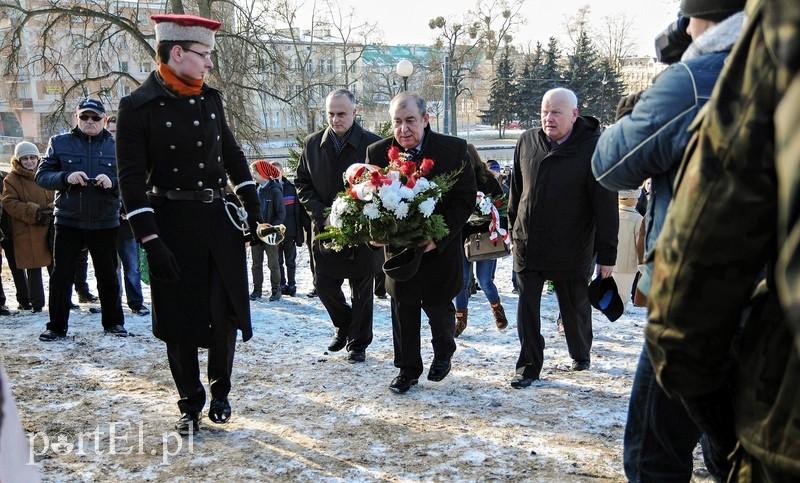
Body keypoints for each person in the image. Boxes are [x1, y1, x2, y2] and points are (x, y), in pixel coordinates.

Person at [646, 0, 800, 479]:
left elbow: (687, 291)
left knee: (651, 453)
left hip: (786, 420)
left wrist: (723, 429)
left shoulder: (778, 32)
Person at [591, 1, 744, 479]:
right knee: (738, 449)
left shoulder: (694, 79)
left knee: (654, 454)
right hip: (776, 298)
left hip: (695, 301)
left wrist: (669, 78)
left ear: (696, 18)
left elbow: (611, 164)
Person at [116, 13, 263, 434]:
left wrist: (250, 200)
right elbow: (130, 179)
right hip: (172, 226)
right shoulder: (137, 107)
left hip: (218, 222)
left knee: (225, 313)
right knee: (179, 321)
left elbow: (232, 154)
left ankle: (220, 388)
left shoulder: (210, 99)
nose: (209, 64)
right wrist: (150, 240)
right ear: (177, 53)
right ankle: (190, 402)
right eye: (204, 55)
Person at [366, 91, 476, 393]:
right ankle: (407, 369)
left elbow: (464, 200)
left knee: (439, 310)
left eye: (411, 121)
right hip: (400, 254)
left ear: (426, 119)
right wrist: (373, 232)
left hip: (438, 250)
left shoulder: (453, 150)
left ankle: (444, 351)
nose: (404, 129)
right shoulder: (377, 154)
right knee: (403, 310)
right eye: (397, 122)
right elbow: (368, 201)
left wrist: (437, 237)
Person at [508, 87, 618, 389]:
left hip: (572, 245)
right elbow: (516, 191)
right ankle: (528, 366)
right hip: (528, 241)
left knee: (574, 304)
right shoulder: (527, 141)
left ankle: (580, 351)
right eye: (544, 111)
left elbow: (606, 205)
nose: (548, 118)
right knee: (527, 305)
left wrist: (607, 255)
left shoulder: (595, 148)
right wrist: (511, 228)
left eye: (556, 112)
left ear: (574, 113)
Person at [295, 89, 380, 363]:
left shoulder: (372, 145)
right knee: (323, 284)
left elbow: (384, 187)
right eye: (330, 113)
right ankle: (344, 324)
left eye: (341, 114)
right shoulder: (311, 144)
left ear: (355, 112)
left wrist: (359, 213)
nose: (335, 119)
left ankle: (358, 344)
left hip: (361, 230)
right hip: (325, 228)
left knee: (362, 290)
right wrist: (322, 214)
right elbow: (302, 184)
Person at [35, 98, 127, 341]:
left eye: (95, 117)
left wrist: (113, 183)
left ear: (104, 120)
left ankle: (114, 323)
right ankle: (56, 326)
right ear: (76, 118)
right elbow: (42, 175)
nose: (89, 121)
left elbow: (133, 182)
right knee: (61, 276)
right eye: (84, 117)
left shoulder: (117, 146)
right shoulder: (59, 142)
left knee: (108, 276)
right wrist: (66, 177)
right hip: (68, 221)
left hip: (105, 222)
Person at [454, 144, 508, 337]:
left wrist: (497, 225)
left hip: (485, 236)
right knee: (462, 280)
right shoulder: (455, 180)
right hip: (461, 237)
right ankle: (460, 319)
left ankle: (497, 309)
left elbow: (502, 206)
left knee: (485, 280)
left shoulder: (488, 181)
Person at [1, 142, 54, 313]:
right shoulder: (11, 179)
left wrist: (53, 208)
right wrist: (34, 212)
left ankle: (59, 299)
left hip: (49, 226)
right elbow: (9, 202)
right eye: (25, 158)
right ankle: (36, 303)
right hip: (28, 228)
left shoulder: (46, 173)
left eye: (32, 157)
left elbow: (57, 192)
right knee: (33, 268)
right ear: (19, 160)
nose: (30, 161)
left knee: (56, 266)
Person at [106, 115, 149, 316]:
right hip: (105, 222)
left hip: (127, 223)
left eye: (117, 131)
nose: (114, 135)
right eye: (111, 131)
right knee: (110, 269)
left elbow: (141, 186)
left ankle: (136, 302)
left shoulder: (132, 154)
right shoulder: (100, 154)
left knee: (132, 266)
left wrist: (130, 209)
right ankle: (113, 304)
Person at [249, 160, 284, 302]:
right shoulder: (254, 189)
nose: (253, 175)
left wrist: (269, 229)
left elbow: (281, 214)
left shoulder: (275, 190)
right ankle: (257, 290)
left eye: (255, 172)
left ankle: (276, 290)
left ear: (263, 173)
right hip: (256, 234)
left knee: (273, 264)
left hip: (270, 234)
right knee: (256, 264)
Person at [271, 161, 304, 297]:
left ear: (282, 171)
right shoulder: (269, 189)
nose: (275, 173)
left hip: (290, 232)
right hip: (275, 232)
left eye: (278, 170)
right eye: (272, 170)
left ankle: (292, 285)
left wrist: (299, 234)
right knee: (278, 261)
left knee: (290, 261)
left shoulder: (291, 188)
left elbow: (297, 212)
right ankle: (282, 285)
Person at [615, 189, 643, 311]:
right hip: (628, 264)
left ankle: (607, 306)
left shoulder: (612, 214)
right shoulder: (638, 219)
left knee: (610, 286)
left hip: (610, 260)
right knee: (624, 291)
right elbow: (640, 242)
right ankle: (619, 309)